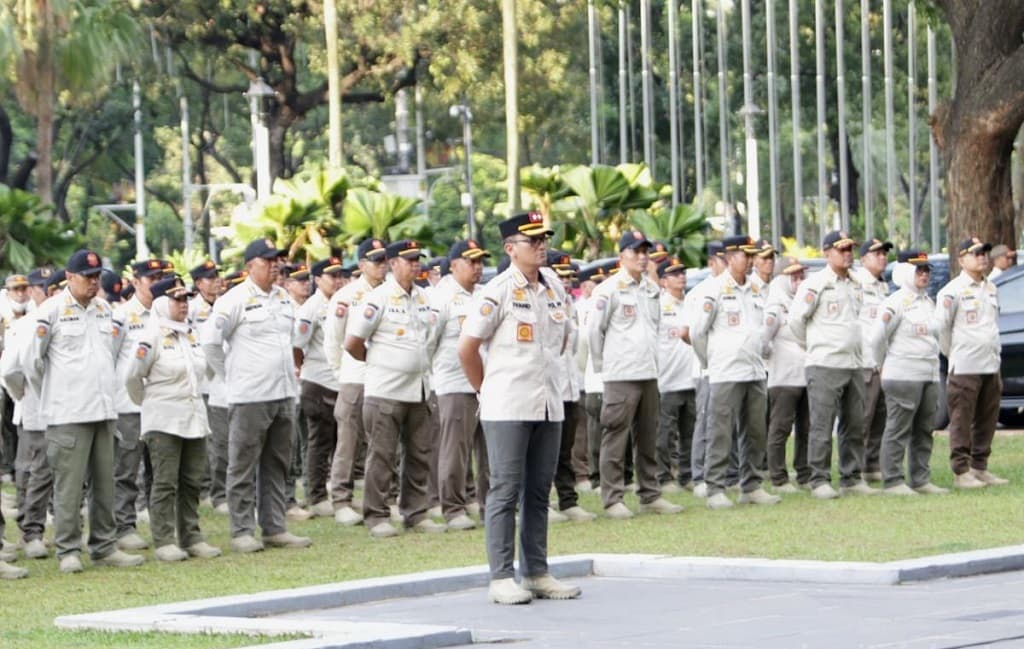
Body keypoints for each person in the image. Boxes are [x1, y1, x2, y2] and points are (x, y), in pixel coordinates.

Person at [458, 210, 581, 605]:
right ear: (511, 248)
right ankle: (501, 576)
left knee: (538, 490)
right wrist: (486, 389)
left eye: (544, 238)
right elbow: (467, 348)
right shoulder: (497, 291)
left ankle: (537, 571)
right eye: (533, 240)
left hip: (548, 402)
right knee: (505, 491)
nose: (542, 245)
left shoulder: (554, 287)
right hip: (508, 404)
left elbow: (562, 339)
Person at [25, 249, 145, 573]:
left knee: (105, 482)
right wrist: (54, 396)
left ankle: (105, 546)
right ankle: (68, 549)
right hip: (68, 414)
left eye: (96, 277)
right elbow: (32, 364)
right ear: (69, 276)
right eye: (87, 277)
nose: (94, 283)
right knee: (69, 486)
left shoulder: (105, 310)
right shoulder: (50, 311)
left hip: (104, 410)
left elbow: (113, 355)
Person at [202, 238, 312, 553]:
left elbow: (296, 338)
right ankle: (241, 530)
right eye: (267, 260)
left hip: (283, 392)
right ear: (251, 266)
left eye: (276, 259)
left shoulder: (283, 298)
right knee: (242, 464)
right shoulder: (234, 299)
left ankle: (274, 527)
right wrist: (230, 376)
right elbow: (210, 342)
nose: (274, 265)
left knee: (278, 464)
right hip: (249, 395)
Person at [345, 239, 445, 538]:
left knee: (419, 454)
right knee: (382, 455)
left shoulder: (425, 298)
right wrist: (381, 363)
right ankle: (376, 515)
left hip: (420, 389)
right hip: (385, 391)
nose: (416, 264)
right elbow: (352, 344)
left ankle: (415, 512)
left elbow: (433, 337)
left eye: (418, 259)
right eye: (409, 259)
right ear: (393, 263)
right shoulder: (378, 298)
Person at [125, 276, 222, 561]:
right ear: (160, 303)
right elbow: (132, 377)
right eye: (177, 299)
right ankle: (165, 539)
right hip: (163, 419)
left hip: (192, 417)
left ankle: (191, 536)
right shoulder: (150, 336)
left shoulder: (190, 334)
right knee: (165, 482)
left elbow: (205, 371)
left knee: (192, 479)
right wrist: (150, 403)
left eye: (186, 299)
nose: (184, 304)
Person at [587, 230, 682, 519]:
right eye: (636, 251)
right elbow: (594, 332)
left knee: (648, 436)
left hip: (648, 372)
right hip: (620, 374)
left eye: (645, 252)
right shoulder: (609, 290)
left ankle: (649, 494)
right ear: (622, 256)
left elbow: (653, 329)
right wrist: (606, 366)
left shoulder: (652, 290)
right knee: (616, 437)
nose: (642, 257)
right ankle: (613, 497)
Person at [691, 235, 779, 509]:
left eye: (753, 255)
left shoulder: (755, 288)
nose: (751, 260)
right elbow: (697, 334)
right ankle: (715, 486)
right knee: (720, 431)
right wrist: (711, 361)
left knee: (755, 430)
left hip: (753, 369)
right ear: (730, 258)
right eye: (746, 255)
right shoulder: (714, 289)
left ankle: (751, 485)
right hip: (725, 371)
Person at [789, 231, 877, 499]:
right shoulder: (816, 284)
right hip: (825, 363)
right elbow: (795, 322)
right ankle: (819, 478)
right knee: (822, 424)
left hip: (852, 362)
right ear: (827, 253)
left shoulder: (856, 283)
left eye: (850, 248)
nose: (848, 253)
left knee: (854, 422)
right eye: (842, 249)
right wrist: (816, 346)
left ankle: (851, 476)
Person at [870, 251, 948, 496]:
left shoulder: (928, 302)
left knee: (924, 429)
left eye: (926, 270)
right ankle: (893, 480)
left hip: (928, 373)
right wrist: (881, 364)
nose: (924, 274)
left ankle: (920, 479)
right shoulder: (895, 302)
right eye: (919, 269)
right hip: (902, 373)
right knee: (898, 429)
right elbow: (877, 338)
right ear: (904, 272)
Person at [323, 238, 389, 526]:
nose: (382, 265)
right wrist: (341, 374)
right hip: (355, 377)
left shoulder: (392, 293)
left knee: (384, 444)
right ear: (362, 264)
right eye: (375, 260)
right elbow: (333, 340)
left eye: (384, 259)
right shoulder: (347, 296)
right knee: (348, 442)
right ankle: (341, 500)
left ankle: (384, 498)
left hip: (384, 379)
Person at [933, 238, 1008, 488]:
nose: (982, 257)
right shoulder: (952, 291)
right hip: (965, 364)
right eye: (975, 253)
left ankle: (979, 466)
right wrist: (953, 353)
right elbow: (941, 329)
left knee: (987, 418)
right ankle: (961, 470)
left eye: (985, 252)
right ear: (961, 259)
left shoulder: (991, 288)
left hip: (989, 363)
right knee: (962, 419)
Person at [428, 240, 491, 531]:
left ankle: (490, 504)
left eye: (480, 262)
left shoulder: (485, 294)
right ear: (453, 265)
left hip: (487, 383)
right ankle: (453, 507)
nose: (477, 267)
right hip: (453, 383)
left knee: (490, 451)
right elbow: (427, 343)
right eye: (471, 261)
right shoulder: (440, 297)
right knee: (455, 451)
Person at [111, 258, 168, 552]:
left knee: (159, 468)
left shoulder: (166, 313)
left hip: (160, 403)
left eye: (162, 277)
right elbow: (110, 357)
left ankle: (162, 525)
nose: (157, 283)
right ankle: (124, 525)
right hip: (129, 405)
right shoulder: (122, 316)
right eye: (152, 278)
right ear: (136, 282)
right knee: (127, 468)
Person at [1, 271, 51, 574]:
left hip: (63, 409)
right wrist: (23, 395)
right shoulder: (22, 325)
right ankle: (29, 529)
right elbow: (10, 371)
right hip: (31, 407)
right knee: (30, 470)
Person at [292, 257, 347, 518]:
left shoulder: (341, 302)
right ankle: (315, 495)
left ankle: (334, 491)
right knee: (319, 442)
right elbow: (296, 345)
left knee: (339, 441)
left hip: (338, 381)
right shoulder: (311, 308)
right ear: (317, 279)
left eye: (338, 275)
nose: (336, 280)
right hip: (317, 381)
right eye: (331, 276)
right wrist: (301, 370)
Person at [547, 251, 596, 523]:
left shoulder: (567, 304)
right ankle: (543, 501)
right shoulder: (542, 301)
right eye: (560, 275)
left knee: (565, 449)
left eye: (569, 277)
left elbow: (573, 346)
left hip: (569, 384)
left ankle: (568, 500)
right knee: (545, 451)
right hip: (547, 386)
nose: (566, 281)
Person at [682, 241, 726, 498]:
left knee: (725, 423)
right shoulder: (700, 292)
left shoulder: (739, 287)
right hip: (707, 367)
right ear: (712, 263)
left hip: (731, 368)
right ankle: (700, 474)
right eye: (723, 259)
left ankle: (728, 473)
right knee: (706, 421)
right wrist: (708, 357)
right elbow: (689, 332)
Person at [763, 258, 811, 493]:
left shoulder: (802, 302)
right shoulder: (775, 304)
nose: (799, 281)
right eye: (793, 277)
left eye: (801, 276)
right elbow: (764, 339)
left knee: (807, 427)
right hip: (783, 376)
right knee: (780, 428)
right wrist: (771, 359)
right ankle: (778, 477)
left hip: (805, 373)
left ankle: (804, 473)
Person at [188, 260, 229, 514]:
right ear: (198, 283)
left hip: (222, 382)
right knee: (203, 440)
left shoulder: (225, 304)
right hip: (201, 381)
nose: (216, 281)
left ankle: (219, 492)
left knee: (221, 442)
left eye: (217, 276)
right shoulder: (191, 309)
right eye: (209, 277)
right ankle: (206, 489)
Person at [654, 256, 696, 493]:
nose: (681, 277)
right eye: (674, 274)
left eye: (682, 272)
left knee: (689, 432)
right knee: (665, 434)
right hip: (667, 379)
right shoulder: (658, 306)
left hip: (690, 375)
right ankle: (664, 476)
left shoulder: (691, 302)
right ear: (663, 281)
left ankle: (687, 474)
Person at [853, 238, 893, 482]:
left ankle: (871, 465)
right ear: (863, 258)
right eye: (876, 254)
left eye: (884, 254)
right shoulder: (856, 284)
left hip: (882, 363)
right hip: (864, 362)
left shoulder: (882, 287)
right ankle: (854, 469)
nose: (882, 258)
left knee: (880, 418)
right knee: (862, 420)